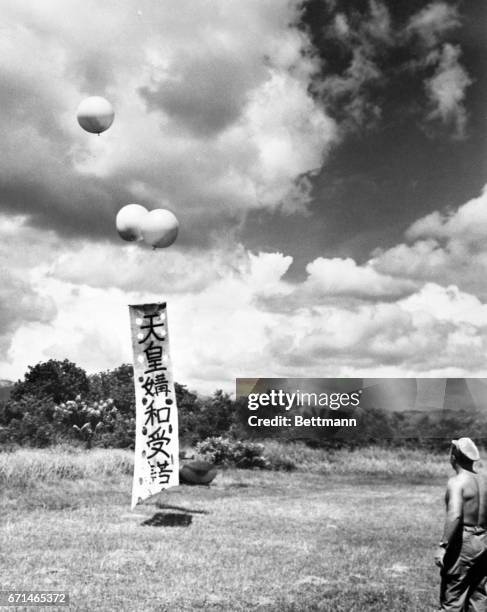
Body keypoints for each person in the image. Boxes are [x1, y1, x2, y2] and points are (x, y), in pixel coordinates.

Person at [435, 437, 487, 611]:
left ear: (454, 455)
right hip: (484, 541)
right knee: (478, 595)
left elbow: (455, 514)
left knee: (453, 597)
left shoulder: (457, 482)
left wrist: (443, 545)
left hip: (464, 543)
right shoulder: (483, 481)